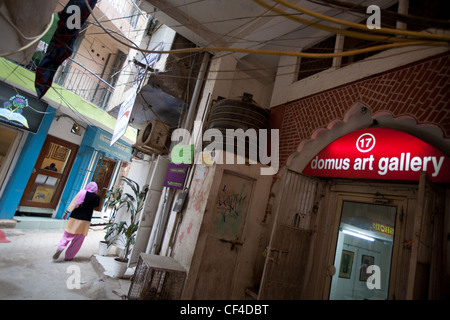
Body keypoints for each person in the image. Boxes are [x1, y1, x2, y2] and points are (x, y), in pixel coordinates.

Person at [53, 182, 100, 261]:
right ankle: (69, 256)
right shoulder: (97, 197)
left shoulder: (81, 193)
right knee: (78, 240)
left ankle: (61, 247)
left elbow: (73, 203)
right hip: (85, 221)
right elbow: (96, 206)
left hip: (74, 218)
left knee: (67, 235)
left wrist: (66, 212)